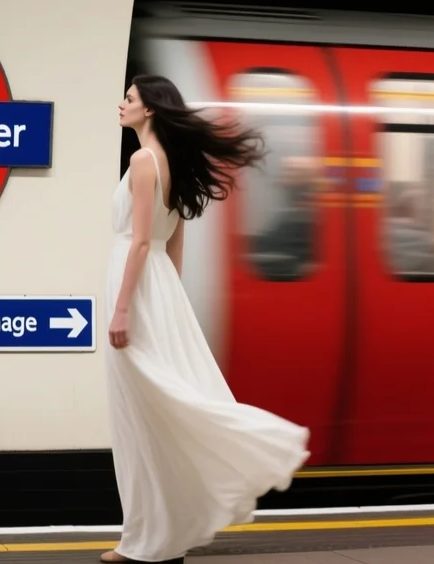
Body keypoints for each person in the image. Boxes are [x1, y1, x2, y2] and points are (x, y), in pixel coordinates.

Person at [101, 74, 311, 563]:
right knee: (154, 410)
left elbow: (137, 241)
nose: (122, 104)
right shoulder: (172, 162)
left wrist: (124, 307)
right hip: (157, 288)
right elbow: (174, 240)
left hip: (134, 288)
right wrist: (167, 298)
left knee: (139, 416)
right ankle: (152, 535)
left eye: (129, 99)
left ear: (149, 109)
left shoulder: (141, 160)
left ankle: (146, 539)